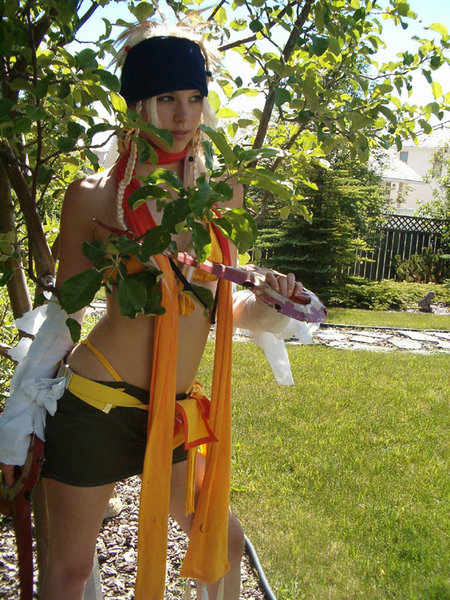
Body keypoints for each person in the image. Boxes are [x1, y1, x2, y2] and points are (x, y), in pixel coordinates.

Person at [0, 23, 304, 600]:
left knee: (224, 543)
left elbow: (218, 304)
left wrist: (270, 304)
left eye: (193, 97)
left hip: (175, 412)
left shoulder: (221, 193)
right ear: (137, 103)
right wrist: (17, 427)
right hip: (97, 405)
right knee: (67, 570)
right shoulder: (94, 194)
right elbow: (65, 311)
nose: (183, 116)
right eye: (166, 98)